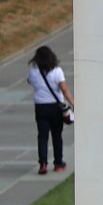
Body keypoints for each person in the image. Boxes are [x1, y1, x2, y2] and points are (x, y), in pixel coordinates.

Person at [27, 45, 72, 175]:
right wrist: (73, 103)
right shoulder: (57, 71)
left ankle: (43, 163)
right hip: (56, 107)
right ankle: (58, 163)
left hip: (40, 106)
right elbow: (64, 89)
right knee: (57, 135)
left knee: (42, 136)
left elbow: (29, 81)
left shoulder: (33, 70)